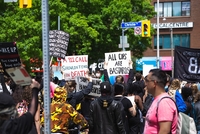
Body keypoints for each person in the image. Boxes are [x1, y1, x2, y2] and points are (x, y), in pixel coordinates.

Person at [143, 69, 178, 134]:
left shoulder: (164, 102)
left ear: (154, 83)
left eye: (147, 80)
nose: (145, 84)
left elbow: (164, 131)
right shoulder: (157, 100)